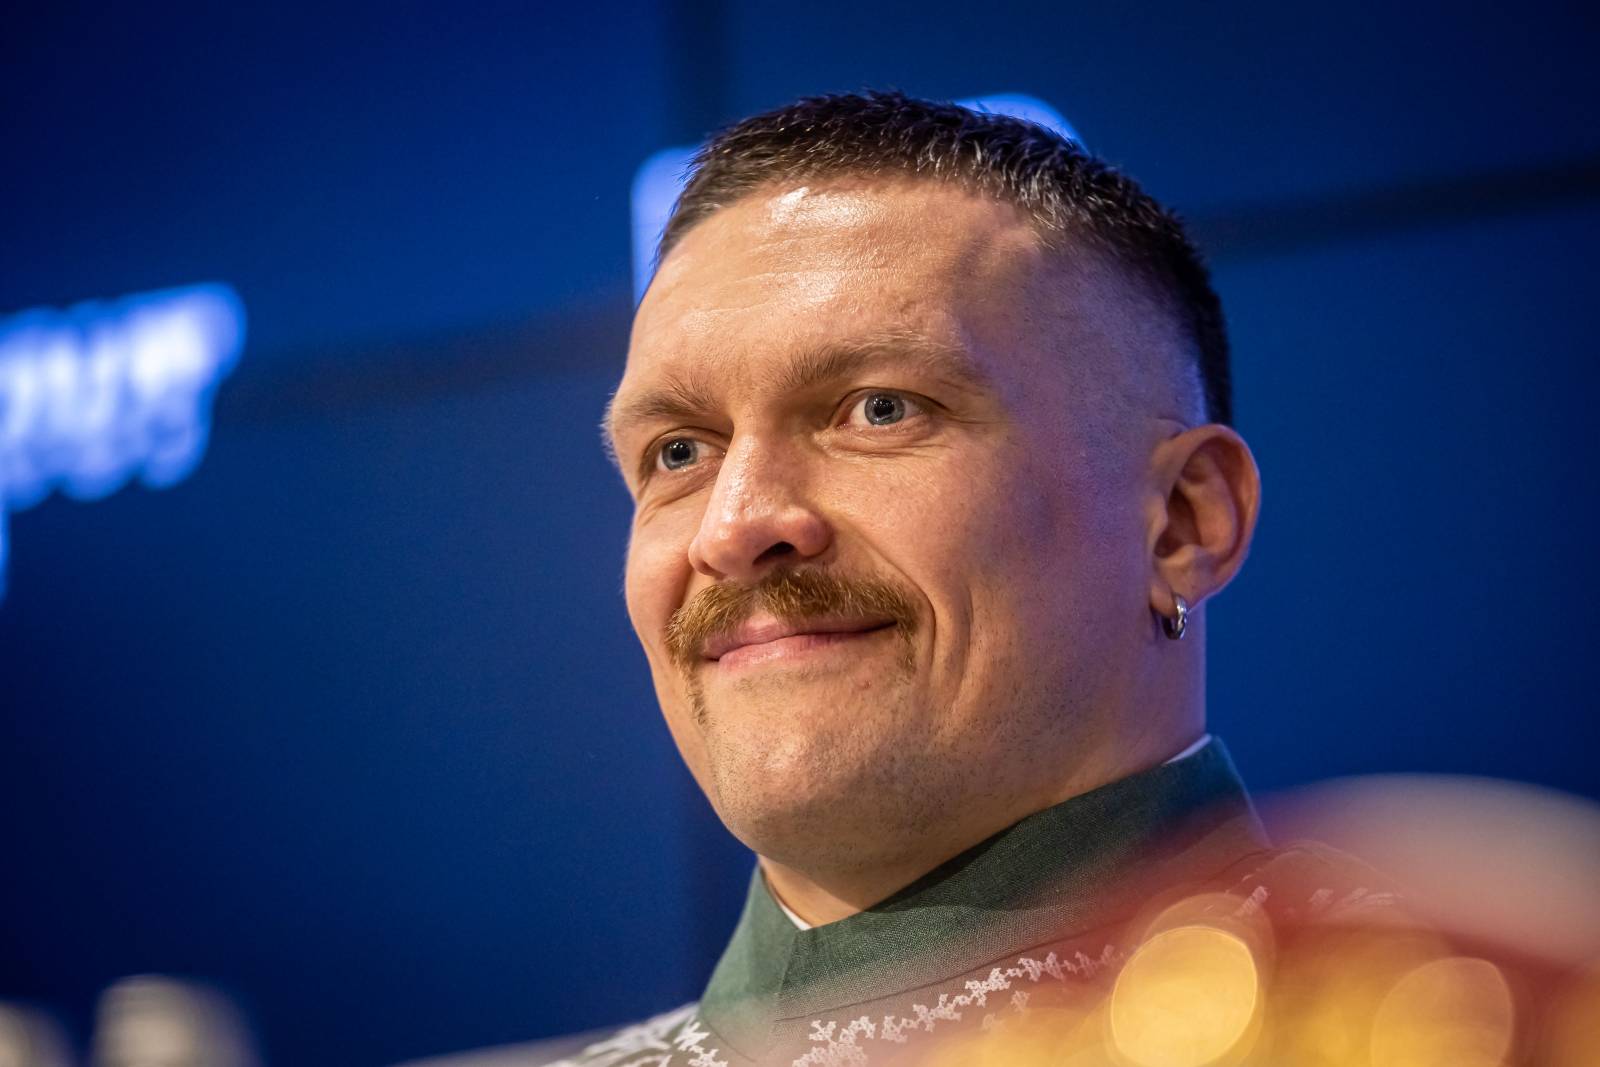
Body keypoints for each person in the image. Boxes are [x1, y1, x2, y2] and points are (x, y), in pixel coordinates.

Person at [404, 89, 1387, 1067]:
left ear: (1181, 521)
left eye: (880, 409)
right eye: (678, 452)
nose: (734, 525)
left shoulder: (1436, 1013)